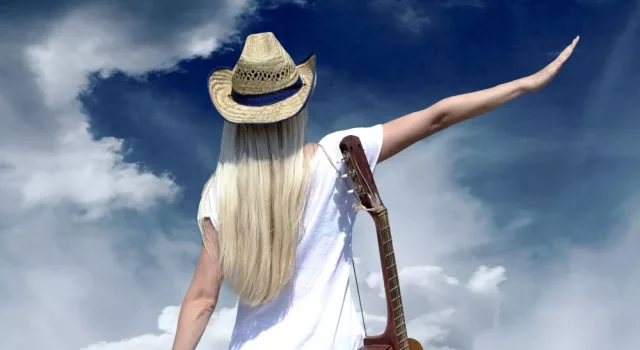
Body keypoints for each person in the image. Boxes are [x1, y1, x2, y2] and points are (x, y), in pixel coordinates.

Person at [172, 32, 579, 350]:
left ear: (237, 118)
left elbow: (203, 300)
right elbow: (436, 117)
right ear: (298, 105)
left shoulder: (221, 190)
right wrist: (526, 84)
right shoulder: (336, 156)